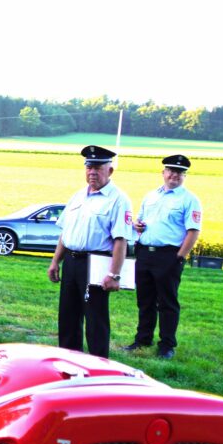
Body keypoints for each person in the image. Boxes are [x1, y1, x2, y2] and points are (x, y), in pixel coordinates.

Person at [47, 145, 133, 358]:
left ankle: (98, 365)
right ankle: (69, 360)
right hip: (72, 262)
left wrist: (114, 274)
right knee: (67, 316)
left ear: (110, 171)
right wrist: (55, 261)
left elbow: (121, 240)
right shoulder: (78, 196)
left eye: (98, 168)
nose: (92, 172)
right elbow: (66, 232)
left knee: (95, 319)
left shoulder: (118, 200)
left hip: (96, 264)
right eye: (89, 167)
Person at [125, 154, 202, 359]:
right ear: (163, 173)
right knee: (145, 300)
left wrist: (179, 257)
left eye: (179, 172)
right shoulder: (151, 196)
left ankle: (167, 345)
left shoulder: (189, 200)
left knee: (167, 302)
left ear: (184, 176)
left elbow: (193, 231)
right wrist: (136, 225)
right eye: (171, 171)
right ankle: (142, 339)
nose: (174, 175)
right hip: (145, 253)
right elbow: (139, 220)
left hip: (169, 256)